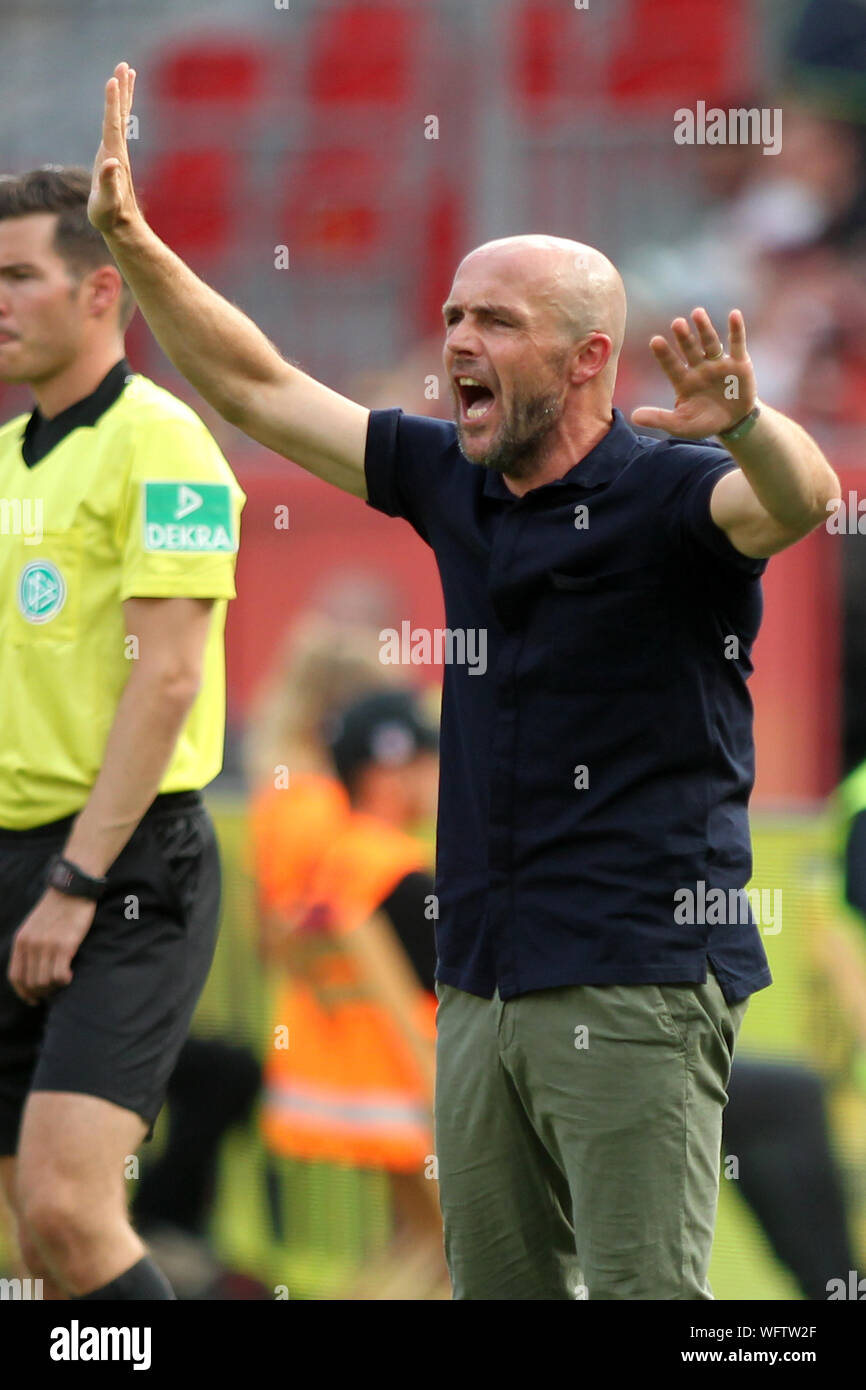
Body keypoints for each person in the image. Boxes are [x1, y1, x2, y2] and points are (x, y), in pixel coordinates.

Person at [89, 63, 840, 1299]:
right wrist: (137, 243)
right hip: (479, 977)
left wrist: (749, 421)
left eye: (493, 321)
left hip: (635, 973)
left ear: (589, 356)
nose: (454, 343)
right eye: (450, 316)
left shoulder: (667, 493)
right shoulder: (453, 478)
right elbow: (257, 388)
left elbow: (800, 503)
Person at [0, 164, 245, 1300]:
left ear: (102, 292)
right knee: (33, 1241)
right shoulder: (5, 457)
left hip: (123, 864)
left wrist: (76, 876)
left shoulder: (166, 442)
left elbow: (171, 679)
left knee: (68, 1207)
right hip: (17, 864)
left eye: (18, 276)